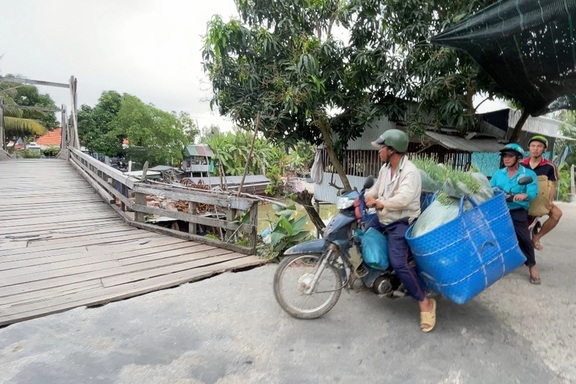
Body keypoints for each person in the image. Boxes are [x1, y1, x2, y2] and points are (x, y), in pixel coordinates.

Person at [364, 129, 437, 333]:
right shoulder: (385, 169)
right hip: (385, 217)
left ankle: (424, 302)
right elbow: (375, 189)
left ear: (392, 150)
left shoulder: (410, 172)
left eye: (382, 148)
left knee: (400, 262)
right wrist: (364, 197)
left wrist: (379, 203)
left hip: (402, 221)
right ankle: (376, 276)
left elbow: (403, 199)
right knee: (364, 236)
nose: (379, 151)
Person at [490, 143, 540, 284]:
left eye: (510, 156)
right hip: (500, 210)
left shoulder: (528, 174)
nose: (506, 158)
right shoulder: (498, 174)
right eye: (505, 156)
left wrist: (524, 195)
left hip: (517, 210)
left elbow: (532, 192)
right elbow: (489, 189)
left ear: (518, 158)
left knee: (524, 238)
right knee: (493, 236)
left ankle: (532, 266)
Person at [521, 135, 563, 251]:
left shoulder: (550, 166)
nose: (535, 149)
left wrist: (549, 201)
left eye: (539, 146)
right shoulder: (521, 164)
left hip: (541, 198)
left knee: (557, 214)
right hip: (523, 197)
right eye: (533, 146)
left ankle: (536, 238)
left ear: (544, 149)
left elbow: (552, 184)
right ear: (529, 148)